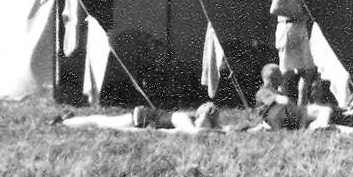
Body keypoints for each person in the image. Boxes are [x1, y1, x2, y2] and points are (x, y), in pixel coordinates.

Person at [270, 0, 319, 105]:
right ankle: (282, 107)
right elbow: (274, 9)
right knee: (287, 72)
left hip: (298, 28)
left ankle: (301, 106)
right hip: (288, 28)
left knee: (308, 70)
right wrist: (297, 15)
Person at [54, 101, 222, 133]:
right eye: (203, 120)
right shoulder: (183, 118)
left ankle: (68, 120)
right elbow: (194, 133)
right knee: (101, 122)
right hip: (143, 117)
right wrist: (218, 132)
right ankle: (65, 120)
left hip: (146, 122)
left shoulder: (191, 125)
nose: (203, 125)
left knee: (102, 122)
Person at [255, 63, 334, 130]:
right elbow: (284, 100)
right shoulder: (264, 92)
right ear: (275, 77)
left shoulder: (263, 93)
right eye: (279, 73)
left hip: (278, 121)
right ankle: (321, 126)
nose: (282, 76)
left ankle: (318, 126)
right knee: (325, 110)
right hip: (284, 115)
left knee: (312, 118)